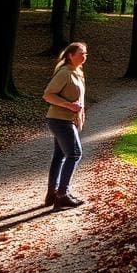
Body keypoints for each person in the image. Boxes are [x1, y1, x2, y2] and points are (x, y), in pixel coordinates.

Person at [43, 41, 88, 210]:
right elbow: (48, 95)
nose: (85, 56)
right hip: (60, 120)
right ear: (70, 55)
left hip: (67, 120)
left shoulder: (77, 72)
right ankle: (63, 195)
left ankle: (52, 193)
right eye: (81, 53)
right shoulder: (64, 73)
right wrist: (70, 106)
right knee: (75, 154)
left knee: (60, 155)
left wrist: (79, 115)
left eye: (85, 53)